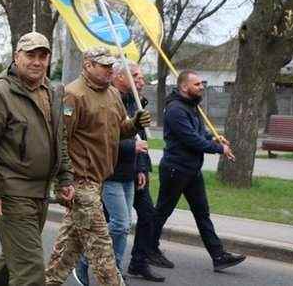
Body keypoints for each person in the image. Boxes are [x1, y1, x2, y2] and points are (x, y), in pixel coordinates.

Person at [45, 47, 152, 286]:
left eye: (110, 65)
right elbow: (60, 140)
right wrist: (62, 181)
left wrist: (134, 124)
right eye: (103, 65)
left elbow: (120, 129)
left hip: (99, 179)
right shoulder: (72, 94)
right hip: (80, 183)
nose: (109, 69)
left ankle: (48, 281)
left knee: (68, 248)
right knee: (102, 251)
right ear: (88, 65)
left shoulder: (113, 94)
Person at [0, 32, 74, 286]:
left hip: (40, 193)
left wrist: (64, 178)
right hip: (12, 193)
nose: (37, 61)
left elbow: (59, 138)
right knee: (30, 271)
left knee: (13, 262)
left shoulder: (52, 91)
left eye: (43, 56)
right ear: (16, 57)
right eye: (30, 55)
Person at [152, 70, 246, 272]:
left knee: (202, 214)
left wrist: (212, 138)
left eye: (201, 84)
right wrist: (219, 149)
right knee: (161, 212)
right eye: (197, 84)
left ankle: (218, 256)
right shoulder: (176, 109)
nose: (201, 87)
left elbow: (197, 133)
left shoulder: (191, 107)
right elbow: (190, 140)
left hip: (191, 170)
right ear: (184, 87)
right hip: (176, 170)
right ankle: (147, 250)